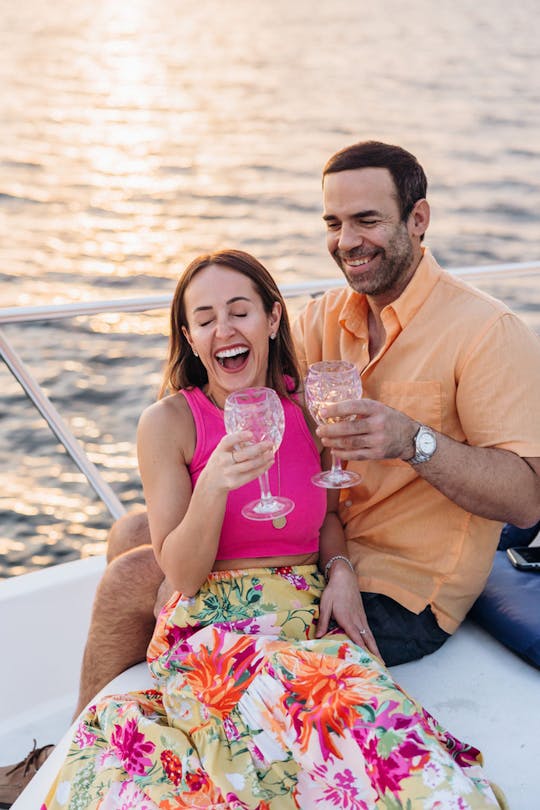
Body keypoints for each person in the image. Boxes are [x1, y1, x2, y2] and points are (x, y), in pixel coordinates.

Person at [3, 140, 540, 801]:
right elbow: (242, 357)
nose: (348, 241)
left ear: (418, 219)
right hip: (321, 539)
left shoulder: (487, 332)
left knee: (136, 575)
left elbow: (526, 502)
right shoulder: (326, 318)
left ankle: (97, 740)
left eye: (367, 220)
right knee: (135, 532)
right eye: (333, 223)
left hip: (400, 586)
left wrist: (412, 440)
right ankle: (122, 719)